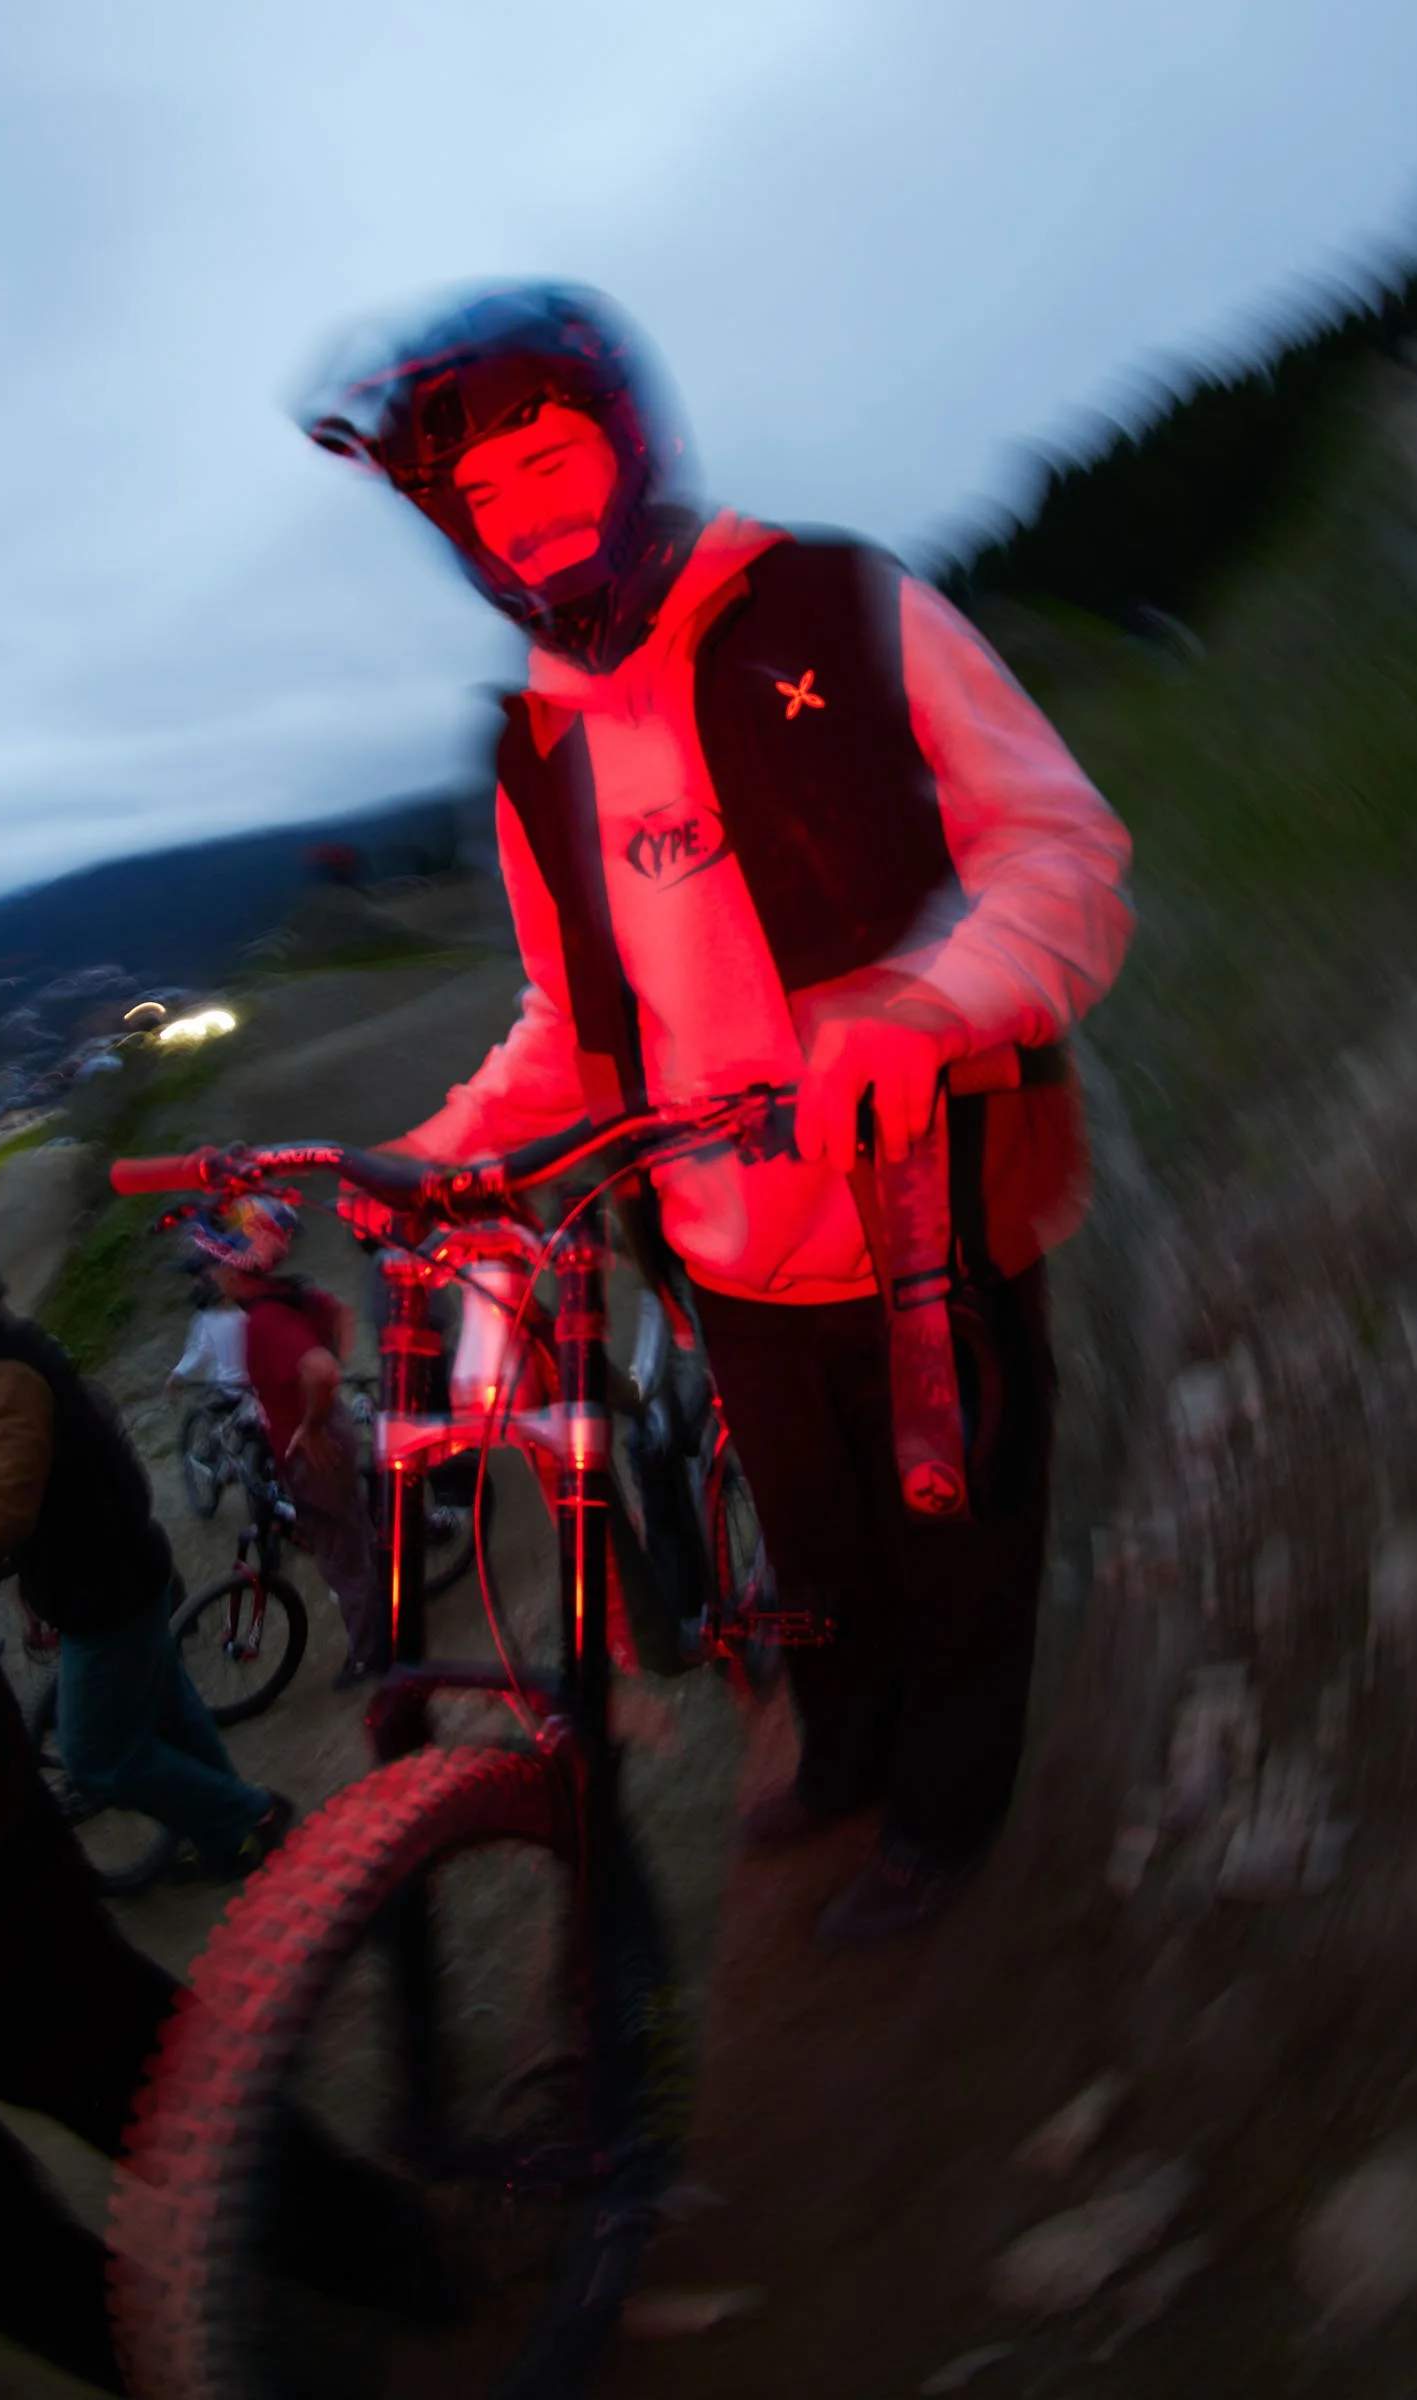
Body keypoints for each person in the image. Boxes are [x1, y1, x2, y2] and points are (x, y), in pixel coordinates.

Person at [291, 283, 1134, 1943]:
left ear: (635, 444)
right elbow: (566, 1016)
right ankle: (841, 1751)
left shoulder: (835, 600)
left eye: (556, 462)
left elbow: (1060, 850)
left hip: (927, 1211)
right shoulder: (534, 741)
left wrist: (930, 1002)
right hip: (725, 1250)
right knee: (814, 1560)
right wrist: (441, 1154)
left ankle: (943, 1825)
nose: (534, 517)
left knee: (962, 1545)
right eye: (489, 498)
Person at [0, 776, 460, 2389]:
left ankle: (363, 2266)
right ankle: (348, 2275)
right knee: (50, 2057)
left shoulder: (11, 1382)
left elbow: (36, 1482)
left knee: (53, 2053)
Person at [0, 1189, 294, 1879]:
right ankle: (234, 1835)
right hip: (124, 1566)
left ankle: (249, 1819)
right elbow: (48, 1485)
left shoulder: (1, 1369)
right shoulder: (1, 1349)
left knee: (99, 1757)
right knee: (170, 1712)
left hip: (107, 1592)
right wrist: (33, 1575)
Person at [188, 1196, 382, 1688]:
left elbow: (321, 1368)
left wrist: (311, 1421)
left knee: (341, 1558)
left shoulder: (266, 1322)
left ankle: (373, 1654)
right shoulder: (293, 1294)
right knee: (352, 1533)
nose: (210, 1276)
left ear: (236, 1271)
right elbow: (341, 1319)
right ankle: (383, 1604)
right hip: (326, 1428)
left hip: (315, 1448)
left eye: (215, 1267)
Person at [166, 1262, 252, 1403]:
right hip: (247, 1385)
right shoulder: (243, 1317)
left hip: (227, 1384)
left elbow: (201, 1352)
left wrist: (178, 1373)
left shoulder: (207, 1318)